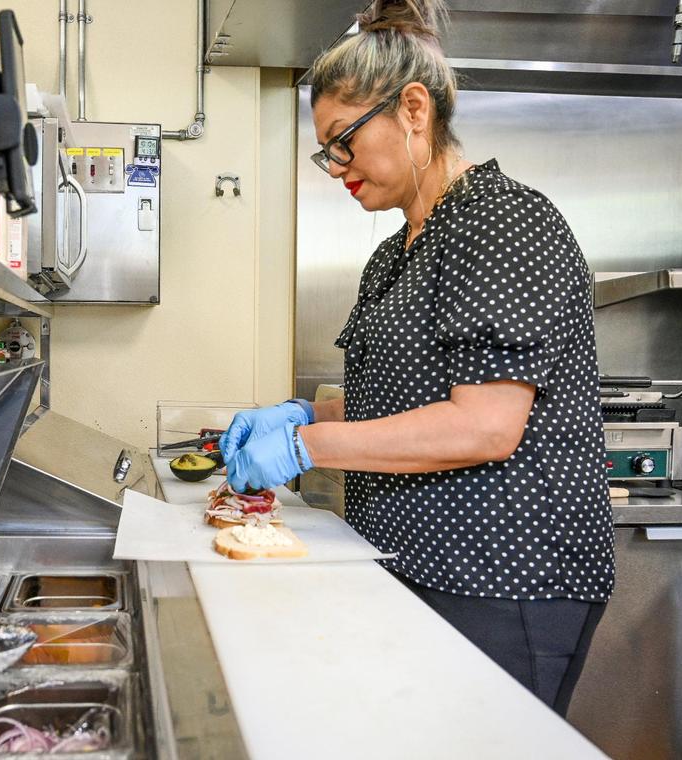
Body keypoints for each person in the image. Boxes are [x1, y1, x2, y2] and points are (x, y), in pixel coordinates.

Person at [219, 0, 614, 717]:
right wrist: (307, 410)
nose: (336, 165)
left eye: (343, 140)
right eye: (325, 149)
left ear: (412, 110)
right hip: (412, 563)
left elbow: (483, 426)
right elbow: (397, 399)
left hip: (503, 578)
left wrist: (306, 444)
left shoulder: (502, 221)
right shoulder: (393, 256)